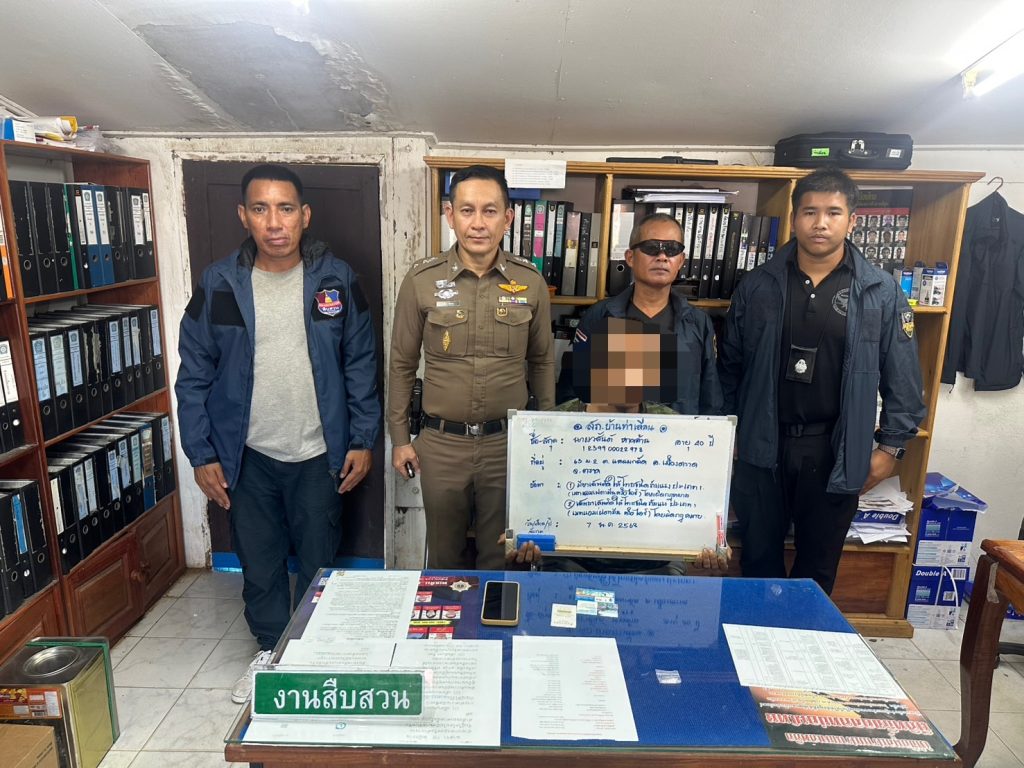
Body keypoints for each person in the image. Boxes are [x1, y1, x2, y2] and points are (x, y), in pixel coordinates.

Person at [175, 164, 380, 702]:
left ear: (304, 215)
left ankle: (310, 650)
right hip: (246, 455)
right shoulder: (219, 283)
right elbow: (194, 372)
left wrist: (362, 439)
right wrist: (200, 452)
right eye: (260, 209)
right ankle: (269, 651)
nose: (274, 222)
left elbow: (360, 363)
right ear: (243, 216)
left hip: (318, 451)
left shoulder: (337, 280)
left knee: (317, 559)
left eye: (285, 208)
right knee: (260, 563)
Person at [718, 166, 925, 595]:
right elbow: (729, 368)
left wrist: (890, 448)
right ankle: (757, 636)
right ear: (795, 219)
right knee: (757, 562)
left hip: (834, 448)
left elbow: (903, 378)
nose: (820, 223)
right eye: (810, 212)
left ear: (852, 221)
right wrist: (727, 434)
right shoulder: (757, 286)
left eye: (833, 212)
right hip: (760, 446)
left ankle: (804, 637)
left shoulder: (880, 291)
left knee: (817, 571)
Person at [388, 165, 555, 570]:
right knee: (444, 556)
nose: (478, 223)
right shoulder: (421, 280)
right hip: (442, 446)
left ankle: (495, 615)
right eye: (467, 210)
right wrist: (400, 438)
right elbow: (402, 362)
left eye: (489, 211)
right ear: (450, 215)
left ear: (507, 218)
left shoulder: (530, 282)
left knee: (503, 555)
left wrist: (545, 438)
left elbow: (542, 361)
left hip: (506, 445)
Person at [566, 212, 723, 416]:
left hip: (678, 434)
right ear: (630, 257)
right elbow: (573, 395)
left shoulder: (698, 323)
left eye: (672, 249)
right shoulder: (599, 316)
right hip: (612, 434)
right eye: (651, 247)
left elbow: (711, 399)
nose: (662, 257)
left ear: (681, 260)